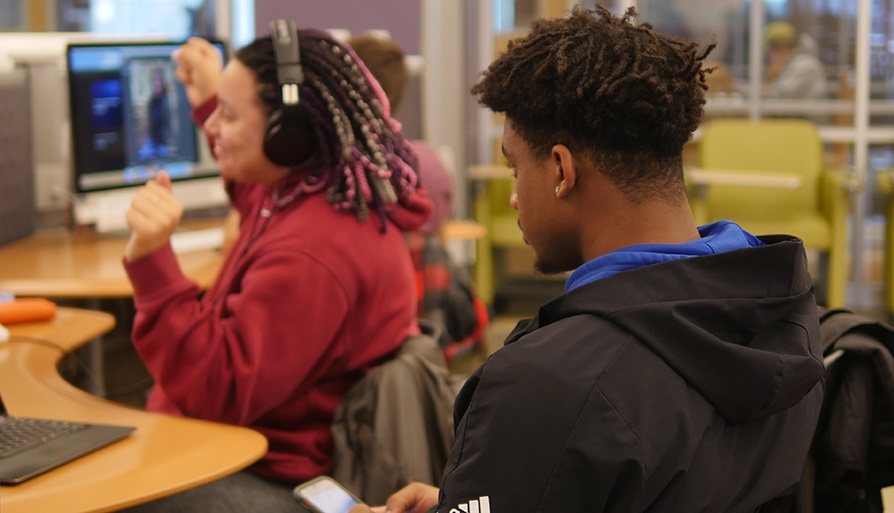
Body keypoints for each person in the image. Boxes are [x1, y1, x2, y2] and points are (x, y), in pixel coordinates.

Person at [351, 6, 825, 513]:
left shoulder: (545, 384)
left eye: (515, 169)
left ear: (561, 169)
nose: (514, 197)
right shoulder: (787, 315)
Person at [120, 23, 432, 512]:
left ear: (288, 136)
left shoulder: (314, 253)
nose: (211, 130)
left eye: (228, 116)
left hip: (267, 472)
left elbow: (217, 387)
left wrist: (152, 262)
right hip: (240, 442)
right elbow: (255, 193)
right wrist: (211, 98)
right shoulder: (313, 186)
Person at [346, 32, 489, 364]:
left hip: (374, 337)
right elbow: (437, 229)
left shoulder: (334, 174)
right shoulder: (422, 163)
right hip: (427, 330)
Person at [763, 20, 827, 100]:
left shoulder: (805, 64)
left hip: (806, 112)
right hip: (795, 111)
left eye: (773, 48)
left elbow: (785, 95)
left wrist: (773, 77)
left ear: (784, 45)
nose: (771, 55)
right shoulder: (792, 63)